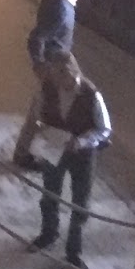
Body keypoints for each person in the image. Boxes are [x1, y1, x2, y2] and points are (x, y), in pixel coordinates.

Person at [28, 54, 111, 269]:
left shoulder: (91, 95)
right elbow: (38, 113)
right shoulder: (47, 90)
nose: (59, 78)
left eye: (63, 73)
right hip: (55, 148)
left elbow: (104, 129)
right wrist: (43, 131)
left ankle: (74, 251)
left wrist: (81, 141)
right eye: (56, 74)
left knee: (80, 202)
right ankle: (49, 233)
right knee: (50, 193)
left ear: (74, 71)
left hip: (82, 154)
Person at [12, 38, 79, 173]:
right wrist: (38, 61)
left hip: (56, 63)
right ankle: (28, 155)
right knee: (39, 121)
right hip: (55, 66)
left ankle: (26, 153)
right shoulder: (54, 80)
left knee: (39, 121)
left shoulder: (59, 75)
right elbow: (37, 37)